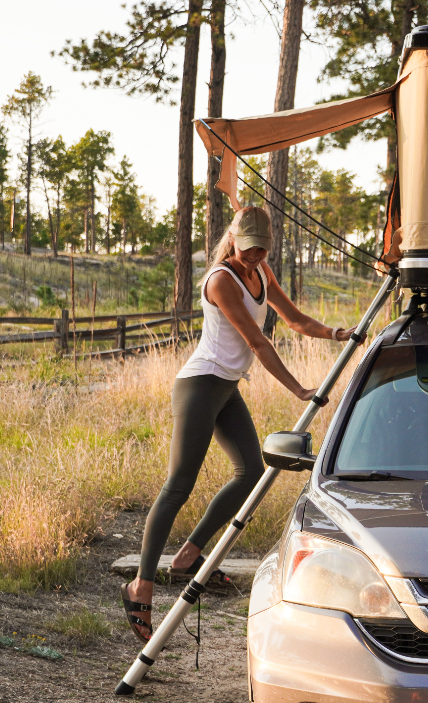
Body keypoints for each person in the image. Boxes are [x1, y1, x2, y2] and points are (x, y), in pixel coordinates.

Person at [120, 206, 354, 641]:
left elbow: (295, 319)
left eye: (262, 249)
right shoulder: (221, 280)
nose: (255, 256)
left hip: (226, 387)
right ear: (234, 239)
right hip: (200, 384)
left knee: (250, 471)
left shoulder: (261, 272)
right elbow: (257, 340)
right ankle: (141, 583)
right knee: (179, 484)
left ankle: (190, 554)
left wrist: (338, 333)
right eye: (248, 249)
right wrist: (298, 388)